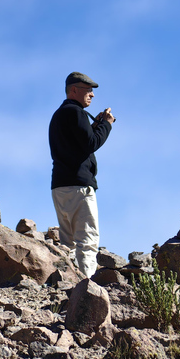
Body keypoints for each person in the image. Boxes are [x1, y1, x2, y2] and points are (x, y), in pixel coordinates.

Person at [48, 71, 115, 277]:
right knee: (87, 240)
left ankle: (67, 283)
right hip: (79, 186)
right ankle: (86, 290)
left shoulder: (59, 115)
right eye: (88, 90)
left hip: (60, 185)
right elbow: (90, 143)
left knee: (67, 242)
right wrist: (106, 125)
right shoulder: (76, 113)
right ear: (74, 90)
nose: (92, 95)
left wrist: (94, 125)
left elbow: (77, 143)